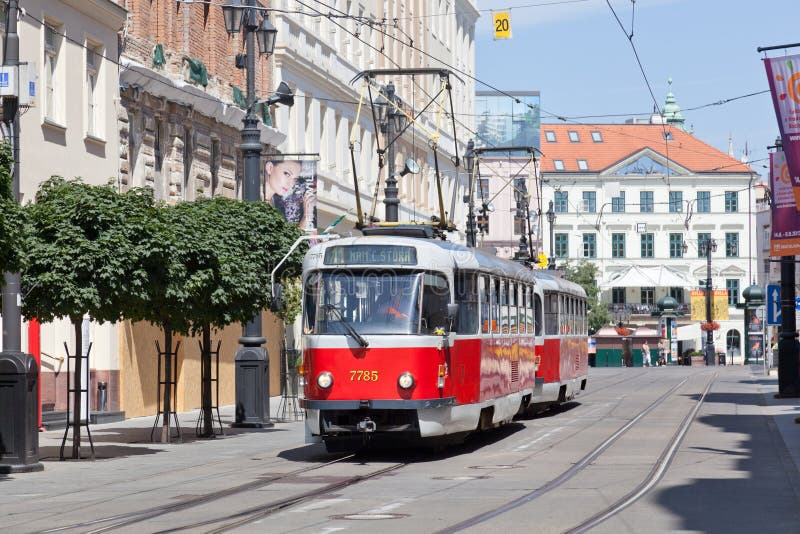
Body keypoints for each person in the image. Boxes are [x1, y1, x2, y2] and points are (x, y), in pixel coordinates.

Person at [264, 160, 316, 230]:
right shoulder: (250, 196)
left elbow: (288, 239)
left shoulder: (279, 205)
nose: (291, 184)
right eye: (287, 174)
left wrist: (306, 216)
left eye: (295, 179)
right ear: (269, 168)